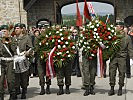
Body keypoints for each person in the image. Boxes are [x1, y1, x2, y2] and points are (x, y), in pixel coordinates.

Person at [108, 22, 133, 96]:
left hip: (122, 57)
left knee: (122, 73)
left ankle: (120, 88)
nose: (116, 27)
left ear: (121, 27)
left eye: (117, 26)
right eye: (116, 26)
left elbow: (130, 49)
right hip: (114, 57)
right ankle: (112, 88)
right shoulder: (113, 36)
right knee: (112, 73)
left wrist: (131, 58)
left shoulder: (127, 37)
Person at [14, 23, 33, 99]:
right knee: (15, 78)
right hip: (15, 60)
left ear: (22, 29)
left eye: (18, 28)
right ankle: (15, 92)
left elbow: (31, 48)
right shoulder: (13, 38)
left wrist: (27, 52)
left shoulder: (26, 38)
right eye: (15, 28)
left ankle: (24, 92)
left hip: (23, 59)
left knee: (24, 78)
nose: (16, 30)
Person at [0, 25, 16, 100]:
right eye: (2, 31)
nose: (3, 32)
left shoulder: (12, 39)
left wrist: (8, 42)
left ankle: (12, 94)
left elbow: (14, 50)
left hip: (10, 62)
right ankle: (1, 95)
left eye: (5, 31)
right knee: (0, 80)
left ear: (8, 32)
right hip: (1, 62)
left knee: (10, 80)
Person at [34, 30, 51, 95]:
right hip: (39, 58)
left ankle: (48, 87)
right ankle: (42, 87)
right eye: (42, 28)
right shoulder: (37, 38)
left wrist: (47, 52)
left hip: (47, 57)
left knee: (47, 72)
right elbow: (36, 47)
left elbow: (51, 46)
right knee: (41, 73)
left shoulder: (49, 37)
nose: (43, 30)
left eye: (45, 28)